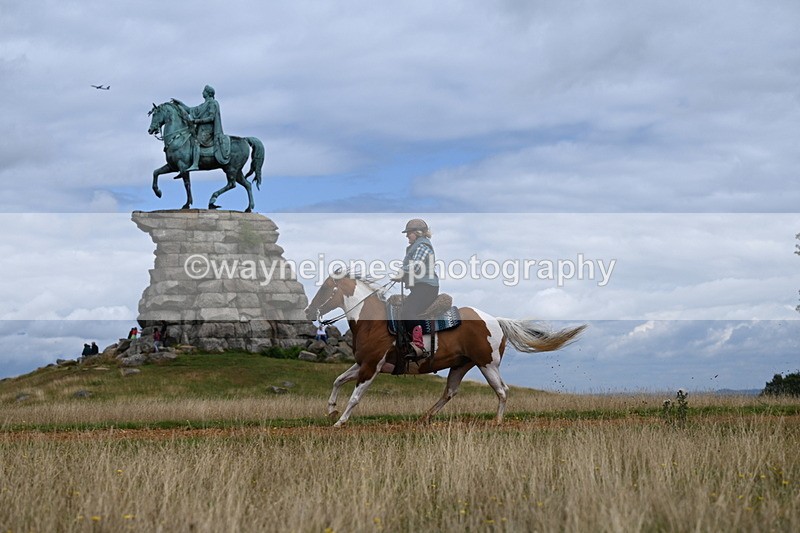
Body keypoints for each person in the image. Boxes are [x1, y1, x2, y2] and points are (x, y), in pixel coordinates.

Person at [391, 218, 439, 359]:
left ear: (417, 233)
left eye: (409, 233)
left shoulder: (422, 246)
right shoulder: (416, 246)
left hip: (426, 288)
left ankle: (419, 345)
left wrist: (401, 272)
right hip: (421, 287)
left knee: (408, 311)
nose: (407, 236)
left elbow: (417, 265)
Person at [172, 85, 230, 170]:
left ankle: (195, 164)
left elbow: (211, 118)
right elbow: (190, 110)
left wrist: (197, 121)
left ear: (208, 93)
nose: (202, 92)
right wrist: (180, 103)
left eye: (204, 91)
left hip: (208, 131)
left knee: (196, 142)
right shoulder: (203, 105)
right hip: (200, 129)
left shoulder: (213, 103)